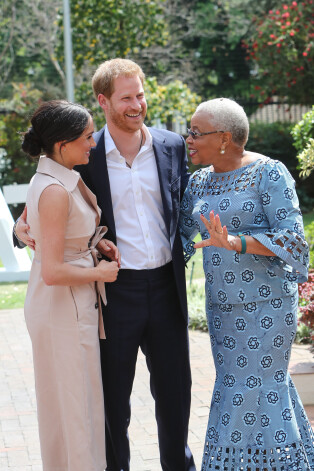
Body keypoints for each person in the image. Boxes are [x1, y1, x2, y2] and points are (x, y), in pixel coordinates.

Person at [15, 59, 196, 471]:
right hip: (113, 294)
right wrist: (20, 229)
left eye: (141, 95)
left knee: (176, 394)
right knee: (113, 403)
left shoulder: (171, 145)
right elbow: (40, 209)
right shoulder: (83, 153)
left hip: (167, 289)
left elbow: (187, 205)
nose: (137, 105)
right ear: (104, 101)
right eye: (126, 97)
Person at [179, 97, 314, 470]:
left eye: (195, 132)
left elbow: (293, 240)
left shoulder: (269, 173)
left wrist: (236, 242)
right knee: (237, 387)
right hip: (223, 309)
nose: (188, 139)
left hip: (268, 306)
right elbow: (177, 238)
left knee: (258, 387)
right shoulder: (198, 182)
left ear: (223, 137)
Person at [20, 100, 120, 471]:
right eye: (88, 137)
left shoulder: (53, 179)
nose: (93, 144)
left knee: (71, 405)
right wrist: (100, 273)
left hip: (62, 304)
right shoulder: (54, 189)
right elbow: (53, 270)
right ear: (62, 144)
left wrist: (96, 243)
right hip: (62, 305)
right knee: (76, 408)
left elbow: (47, 237)